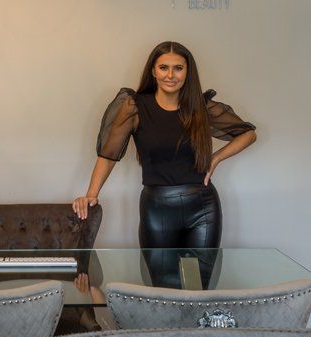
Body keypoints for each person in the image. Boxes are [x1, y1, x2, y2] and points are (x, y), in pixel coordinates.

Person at [72, 41, 256, 286]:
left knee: (196, 287)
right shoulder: (135, 107)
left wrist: (216, 158)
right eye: (164, 68)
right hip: (157, 209)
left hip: (203, 207)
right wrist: (91, 195)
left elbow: (248, 133)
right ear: (153, 71)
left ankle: (194, 325)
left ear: (188, 72)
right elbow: (108, 154)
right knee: (163, 288)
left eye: (178, 68)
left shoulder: (200, 108)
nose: (171, 75)